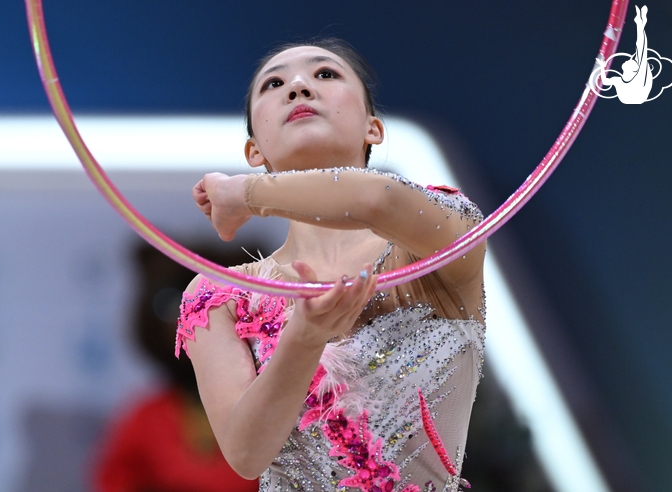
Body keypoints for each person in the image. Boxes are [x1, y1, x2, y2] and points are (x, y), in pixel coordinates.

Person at [176, 38, 486, 492]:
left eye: (325, 75)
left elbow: (379, 199)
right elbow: (246, 454)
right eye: (275, 83)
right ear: (254, 152)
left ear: (373, 129)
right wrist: (303, 340)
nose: (298, 87)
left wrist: (246, 195)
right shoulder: (219, 295)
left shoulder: (436, 237)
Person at [93, 244, 258, 492]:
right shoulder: (146, 419)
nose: (196, 323)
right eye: (171, 306)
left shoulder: (269, 406)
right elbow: (114, 481)